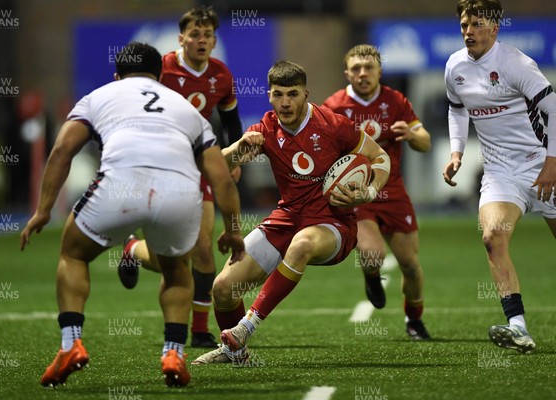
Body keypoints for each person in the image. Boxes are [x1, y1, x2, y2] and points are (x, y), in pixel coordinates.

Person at [19, 42, 244, 387]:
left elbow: (64, 149)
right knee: (177, 270)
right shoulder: (185, 109)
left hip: (119, 187)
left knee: (74, 253)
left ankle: (70, 344)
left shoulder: (100, 96)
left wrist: (43, 209)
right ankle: (173, 353)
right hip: (180, 194)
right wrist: (232, 231)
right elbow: (222, 180)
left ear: (116, 74)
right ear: (160, 75)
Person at [191, 60, 391, 364]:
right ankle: (237, 355)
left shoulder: (332, 125)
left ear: (306, 95)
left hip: (334, 225)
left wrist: (370, 191)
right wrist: (240, 147)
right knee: (222, 289)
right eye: (279, 94)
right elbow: (216, 169)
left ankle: (245, 328)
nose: (285, 102)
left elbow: (380, 157)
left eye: (293, 94)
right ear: (269, 96)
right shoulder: (265, 130)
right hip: (287, 218)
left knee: (302, 245)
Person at [117, 6, 243, 349]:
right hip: (157, 165)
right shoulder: (162, 69)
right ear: (181, 39)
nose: (201, 41)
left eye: (207, 36)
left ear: (214, 41)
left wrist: (234, 156)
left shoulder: (221, 75)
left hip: (196, 164)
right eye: (195, 35)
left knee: (203, 252)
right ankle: (132, 249)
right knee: (171, 258)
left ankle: (199, 330)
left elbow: (231, 122)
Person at [443, 0, 556, 353]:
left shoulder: (516, 63)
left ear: (494, 27)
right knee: (493, 236)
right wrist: (457, 152)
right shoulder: (455, 66)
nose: (468, 31)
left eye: (476, 24)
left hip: (542, 165)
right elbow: (457, 109)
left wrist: (552, 162)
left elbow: (554, 110)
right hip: (500, 173)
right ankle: (518, 327)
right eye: (464, 24)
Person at [322, 44, 432, 340]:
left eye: (368, 67)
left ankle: (414, 320)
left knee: (410, 265)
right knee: (372, 255)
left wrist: (411, 135)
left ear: (379, 71)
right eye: (356, 68)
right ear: (347, 73)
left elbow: (425, 142)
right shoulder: (334, 106)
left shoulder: (395, 101)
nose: (363, 73)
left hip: (393, 192)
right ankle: (372, 277)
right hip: (359, 195)